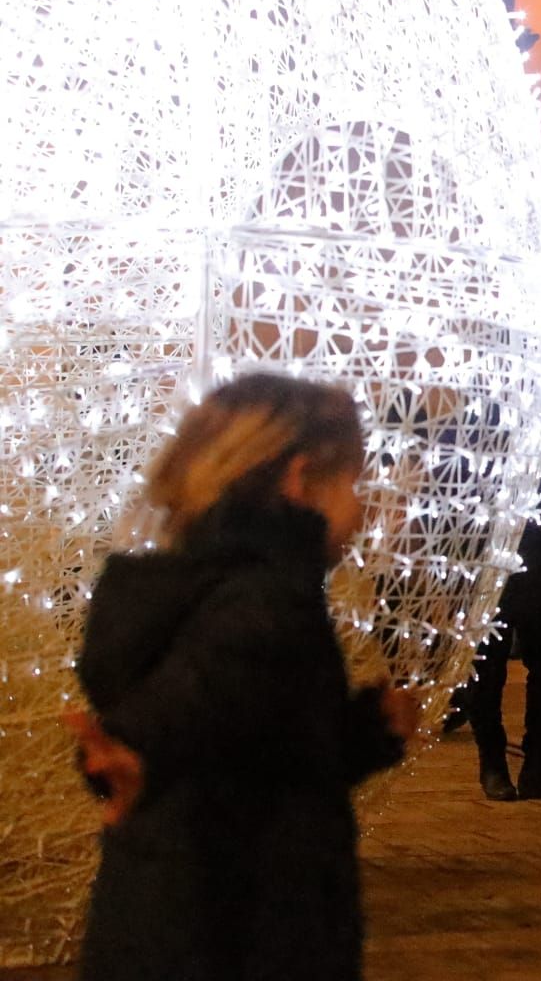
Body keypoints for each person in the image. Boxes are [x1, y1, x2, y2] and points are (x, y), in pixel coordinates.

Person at [69, 373, 417, 981]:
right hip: (233, 933)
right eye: (355, 482)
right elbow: (185, 711)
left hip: (185, 922)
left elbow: (263, 748)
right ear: (301, 480)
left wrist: (366, 732)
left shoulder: (203, 584)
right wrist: (133, 749)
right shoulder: (266, 603)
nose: (365, 505)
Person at [454, 406, 541, 801]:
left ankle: (539, 767)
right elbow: (455, 484)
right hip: (490, 562)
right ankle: (493, 765)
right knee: (487, 667)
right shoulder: (477, 412)